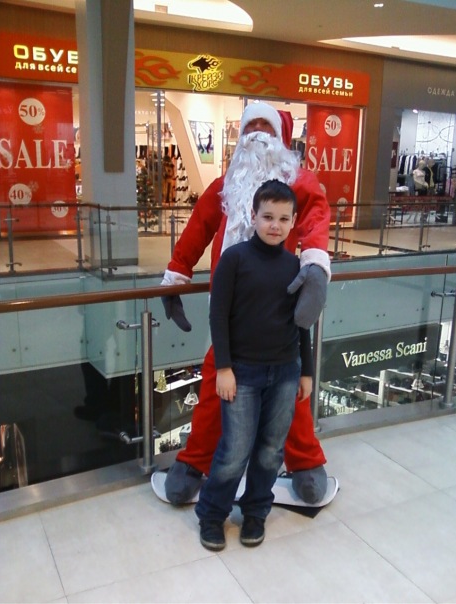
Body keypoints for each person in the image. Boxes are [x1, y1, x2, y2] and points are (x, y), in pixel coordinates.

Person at [160, 101, 331, 506]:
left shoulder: (299, 185)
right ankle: (195, 462)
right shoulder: (225, 187)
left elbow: (316, 219)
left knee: (289, 391)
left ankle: (305, 462)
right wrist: (177, 273)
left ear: (281, 138)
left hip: (279, 307)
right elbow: (198, 227)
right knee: (215, 384)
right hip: (233, 311)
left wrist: (315, 266)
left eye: (265, 128)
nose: (257, 135)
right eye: (250, 127)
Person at [195, 179, 313, 551]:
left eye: (283, 218)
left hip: (285, 371)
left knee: (270, 451)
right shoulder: (235, 259)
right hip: (242, 373)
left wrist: (306, 370)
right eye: (267, 217)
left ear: (293, 221)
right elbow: (218, 316)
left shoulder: (296, 266)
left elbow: (302, 322)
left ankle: (255, 512)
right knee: (234, 451)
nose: (275, 225)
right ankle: (212, 514)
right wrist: (224, 368)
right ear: (253, 216)